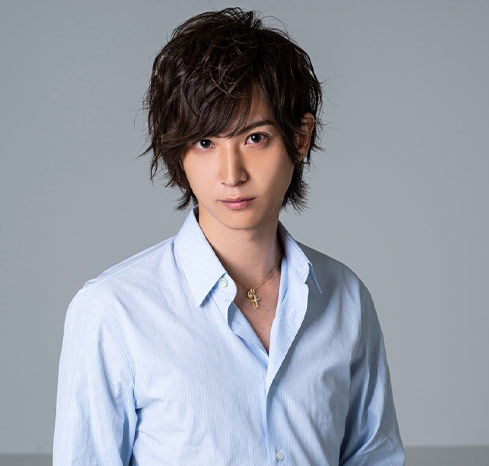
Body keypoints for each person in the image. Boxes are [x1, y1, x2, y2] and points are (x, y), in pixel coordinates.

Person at [53, 7, 404, 465]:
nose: (231, 173)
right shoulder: (112, 312)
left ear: (300, 138)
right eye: (205, 143)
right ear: (179, 152)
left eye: (255, 138)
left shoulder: (345, 300)